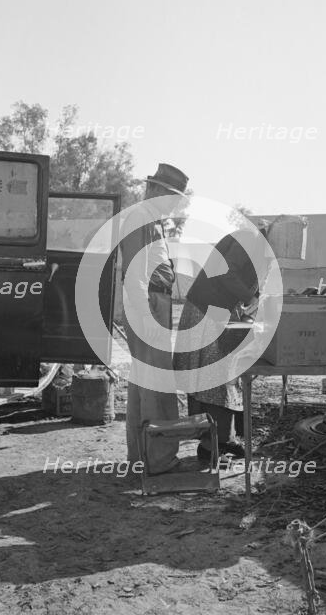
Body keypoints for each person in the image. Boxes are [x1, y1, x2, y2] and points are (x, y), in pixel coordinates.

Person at [174, 222, 271, 461]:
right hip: (205, 310)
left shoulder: (260, 250)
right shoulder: (248, 239)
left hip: (218, 309)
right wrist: (249, 297)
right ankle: (209, 447)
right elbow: (225, 272)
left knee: (224, 377)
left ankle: (224, 439)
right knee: (213, 377)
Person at [119, 163, 189, 474]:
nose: (175, 204)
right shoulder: (140, 218)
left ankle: (143, 456)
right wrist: (144, 313)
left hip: (153, 301)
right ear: (155, 191)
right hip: (149, 303)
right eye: (172, 196)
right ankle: (158, 459)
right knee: (156, 382)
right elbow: (135, 270)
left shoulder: (152, 220)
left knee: (145, 381)